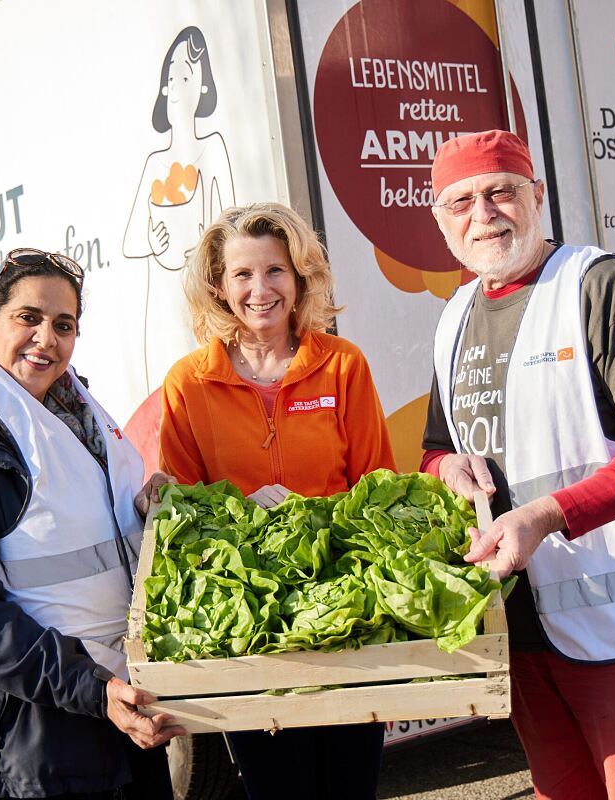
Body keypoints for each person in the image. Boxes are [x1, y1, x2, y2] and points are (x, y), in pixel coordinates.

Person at [420, 130, 615, 800]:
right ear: (440, 220)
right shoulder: (456, 314)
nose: (483, 213)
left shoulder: (601, 286)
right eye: (460, 201)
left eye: (501, 192)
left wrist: (547, 515)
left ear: (537, 196)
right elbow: (438, 449)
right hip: (520, 629)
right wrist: (448, 471)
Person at [0, 248, 183, 799]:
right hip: (28, 724)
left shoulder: (70, 405)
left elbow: (78, 534)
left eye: (63, 325)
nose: (46, 338)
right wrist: (92, 690)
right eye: (29, 318)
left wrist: (140, 512)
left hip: (114, 699)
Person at [158, 202, 396, 799]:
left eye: (275, 272)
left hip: (344, 613)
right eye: (242, 275)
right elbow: (185, 518)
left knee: (350, 787)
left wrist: (310, 516)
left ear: (299, 279)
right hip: (249, 628)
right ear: (218, 285)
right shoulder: (188, 382)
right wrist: (240, 513)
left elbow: (378, 488)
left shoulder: (343, 365)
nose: (259, 289)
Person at [123, 25, 236, 392]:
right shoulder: (154, 162)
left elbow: (238, 234)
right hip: (161, 307)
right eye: (171, 77)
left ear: (201, 88)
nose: (174, 87)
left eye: (185, 76)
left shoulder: (213, 148)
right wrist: (152, 241)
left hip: (204, 308)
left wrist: (209, 247)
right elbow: (130, 243)